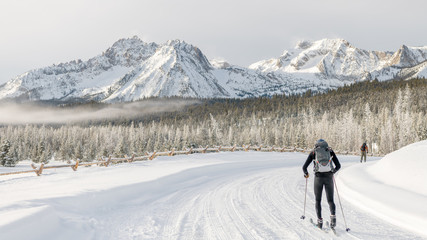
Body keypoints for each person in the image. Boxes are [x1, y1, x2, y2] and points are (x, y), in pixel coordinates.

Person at [302, 139, 341, 229]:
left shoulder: (314, 152)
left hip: (318, 178)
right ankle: (333, 219)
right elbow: (338, 166)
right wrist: (332, 172)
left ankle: (320, 222)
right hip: (329, 178)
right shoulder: (330, 151)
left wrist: (306, 174)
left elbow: (304, 167)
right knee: (330, 200)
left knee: (318, 200)